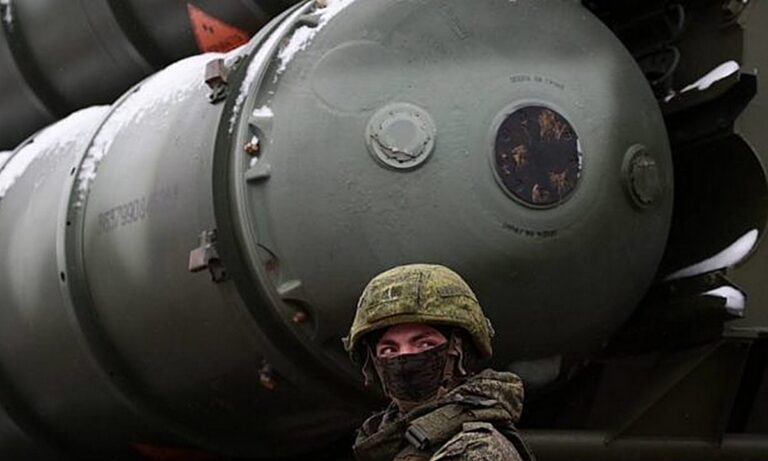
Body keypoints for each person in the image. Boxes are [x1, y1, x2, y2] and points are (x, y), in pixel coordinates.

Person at [343, 264, 534, 461]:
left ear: (461, 351)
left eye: (425, 344)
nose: (404, 357)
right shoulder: (390, 438)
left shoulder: (477, 449)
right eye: (389, 349)